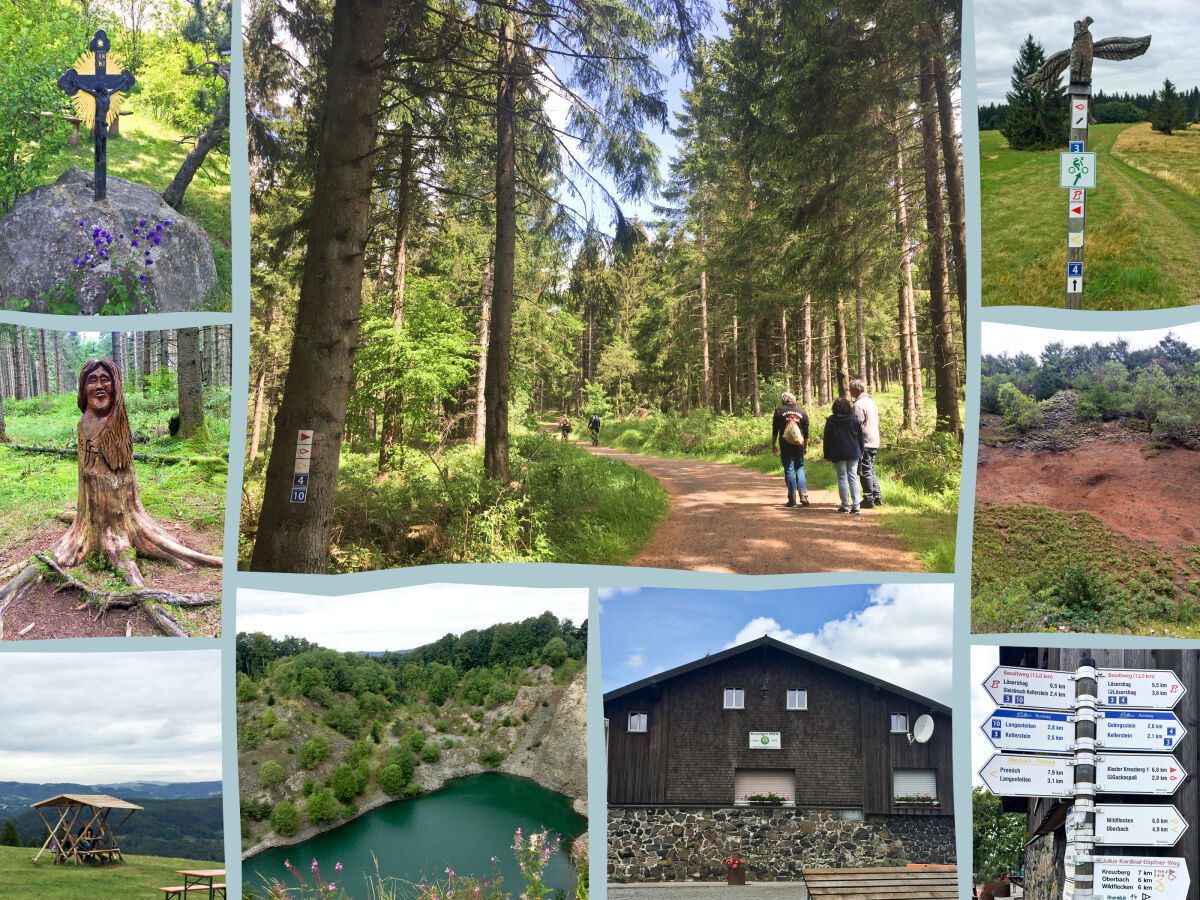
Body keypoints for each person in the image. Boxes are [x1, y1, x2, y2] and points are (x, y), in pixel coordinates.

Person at [822, 396, 865, 514]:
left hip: (838, 452)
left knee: (842, 478)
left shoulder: (831, 421)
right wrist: (862, 451)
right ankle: (856, 505)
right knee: (853, 478)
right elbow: (860, 437)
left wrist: (827, 454)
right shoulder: (854, 420)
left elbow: (827, 439)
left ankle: (845, 505)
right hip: (854, 453)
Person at [771, 391, 810, 507]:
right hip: (799, 445)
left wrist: (773, 444)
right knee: (800, 468)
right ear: (793, 400)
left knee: (788, 469)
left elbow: (775, 430)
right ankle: (803, 495)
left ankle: (792, 499)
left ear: (783, 401)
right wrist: (806, 445)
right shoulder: (802, 411)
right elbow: (806, 432)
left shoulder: (779, 411)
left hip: (785, 444)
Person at [849, 377, 882, 509]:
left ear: (856, 390)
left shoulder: (858, 405)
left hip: (865, 443)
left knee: (865, 471)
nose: (850, 392)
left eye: (850, 390)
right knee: (871, 470)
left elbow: (856, 427)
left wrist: (856, 445)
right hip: (873, 441)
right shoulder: (871, 402)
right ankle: (877, 497)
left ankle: (868, 499)